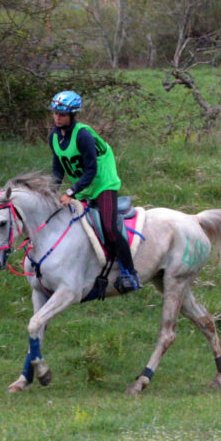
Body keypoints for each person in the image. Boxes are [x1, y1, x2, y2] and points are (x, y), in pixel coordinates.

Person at [48, 89, 140, 295]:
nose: (57, 117)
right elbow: (58, 168)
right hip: (85, 183)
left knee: (109, 227)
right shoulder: (54, 136)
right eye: (55, 113)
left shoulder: (83, 136)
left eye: (61, 114)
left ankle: (129, 273)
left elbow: (92, 170)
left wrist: (71, 192)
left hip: (103, 182)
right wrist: (50, 192)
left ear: (72, 116)